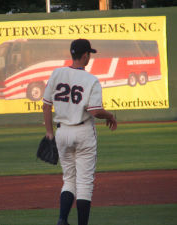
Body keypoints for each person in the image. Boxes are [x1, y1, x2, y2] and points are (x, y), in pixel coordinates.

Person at [42, 39, 117, 225]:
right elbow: (95, 111)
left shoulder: (57, 73)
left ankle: (62, 220)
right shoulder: (91, 80)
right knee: (84, 183)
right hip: (83, 132)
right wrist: (110, 116)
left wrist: (49, 132)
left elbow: (46, 105)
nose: (89, 57)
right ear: (85, 56)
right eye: (89, 54)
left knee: (69, 179)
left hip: (61, 133)